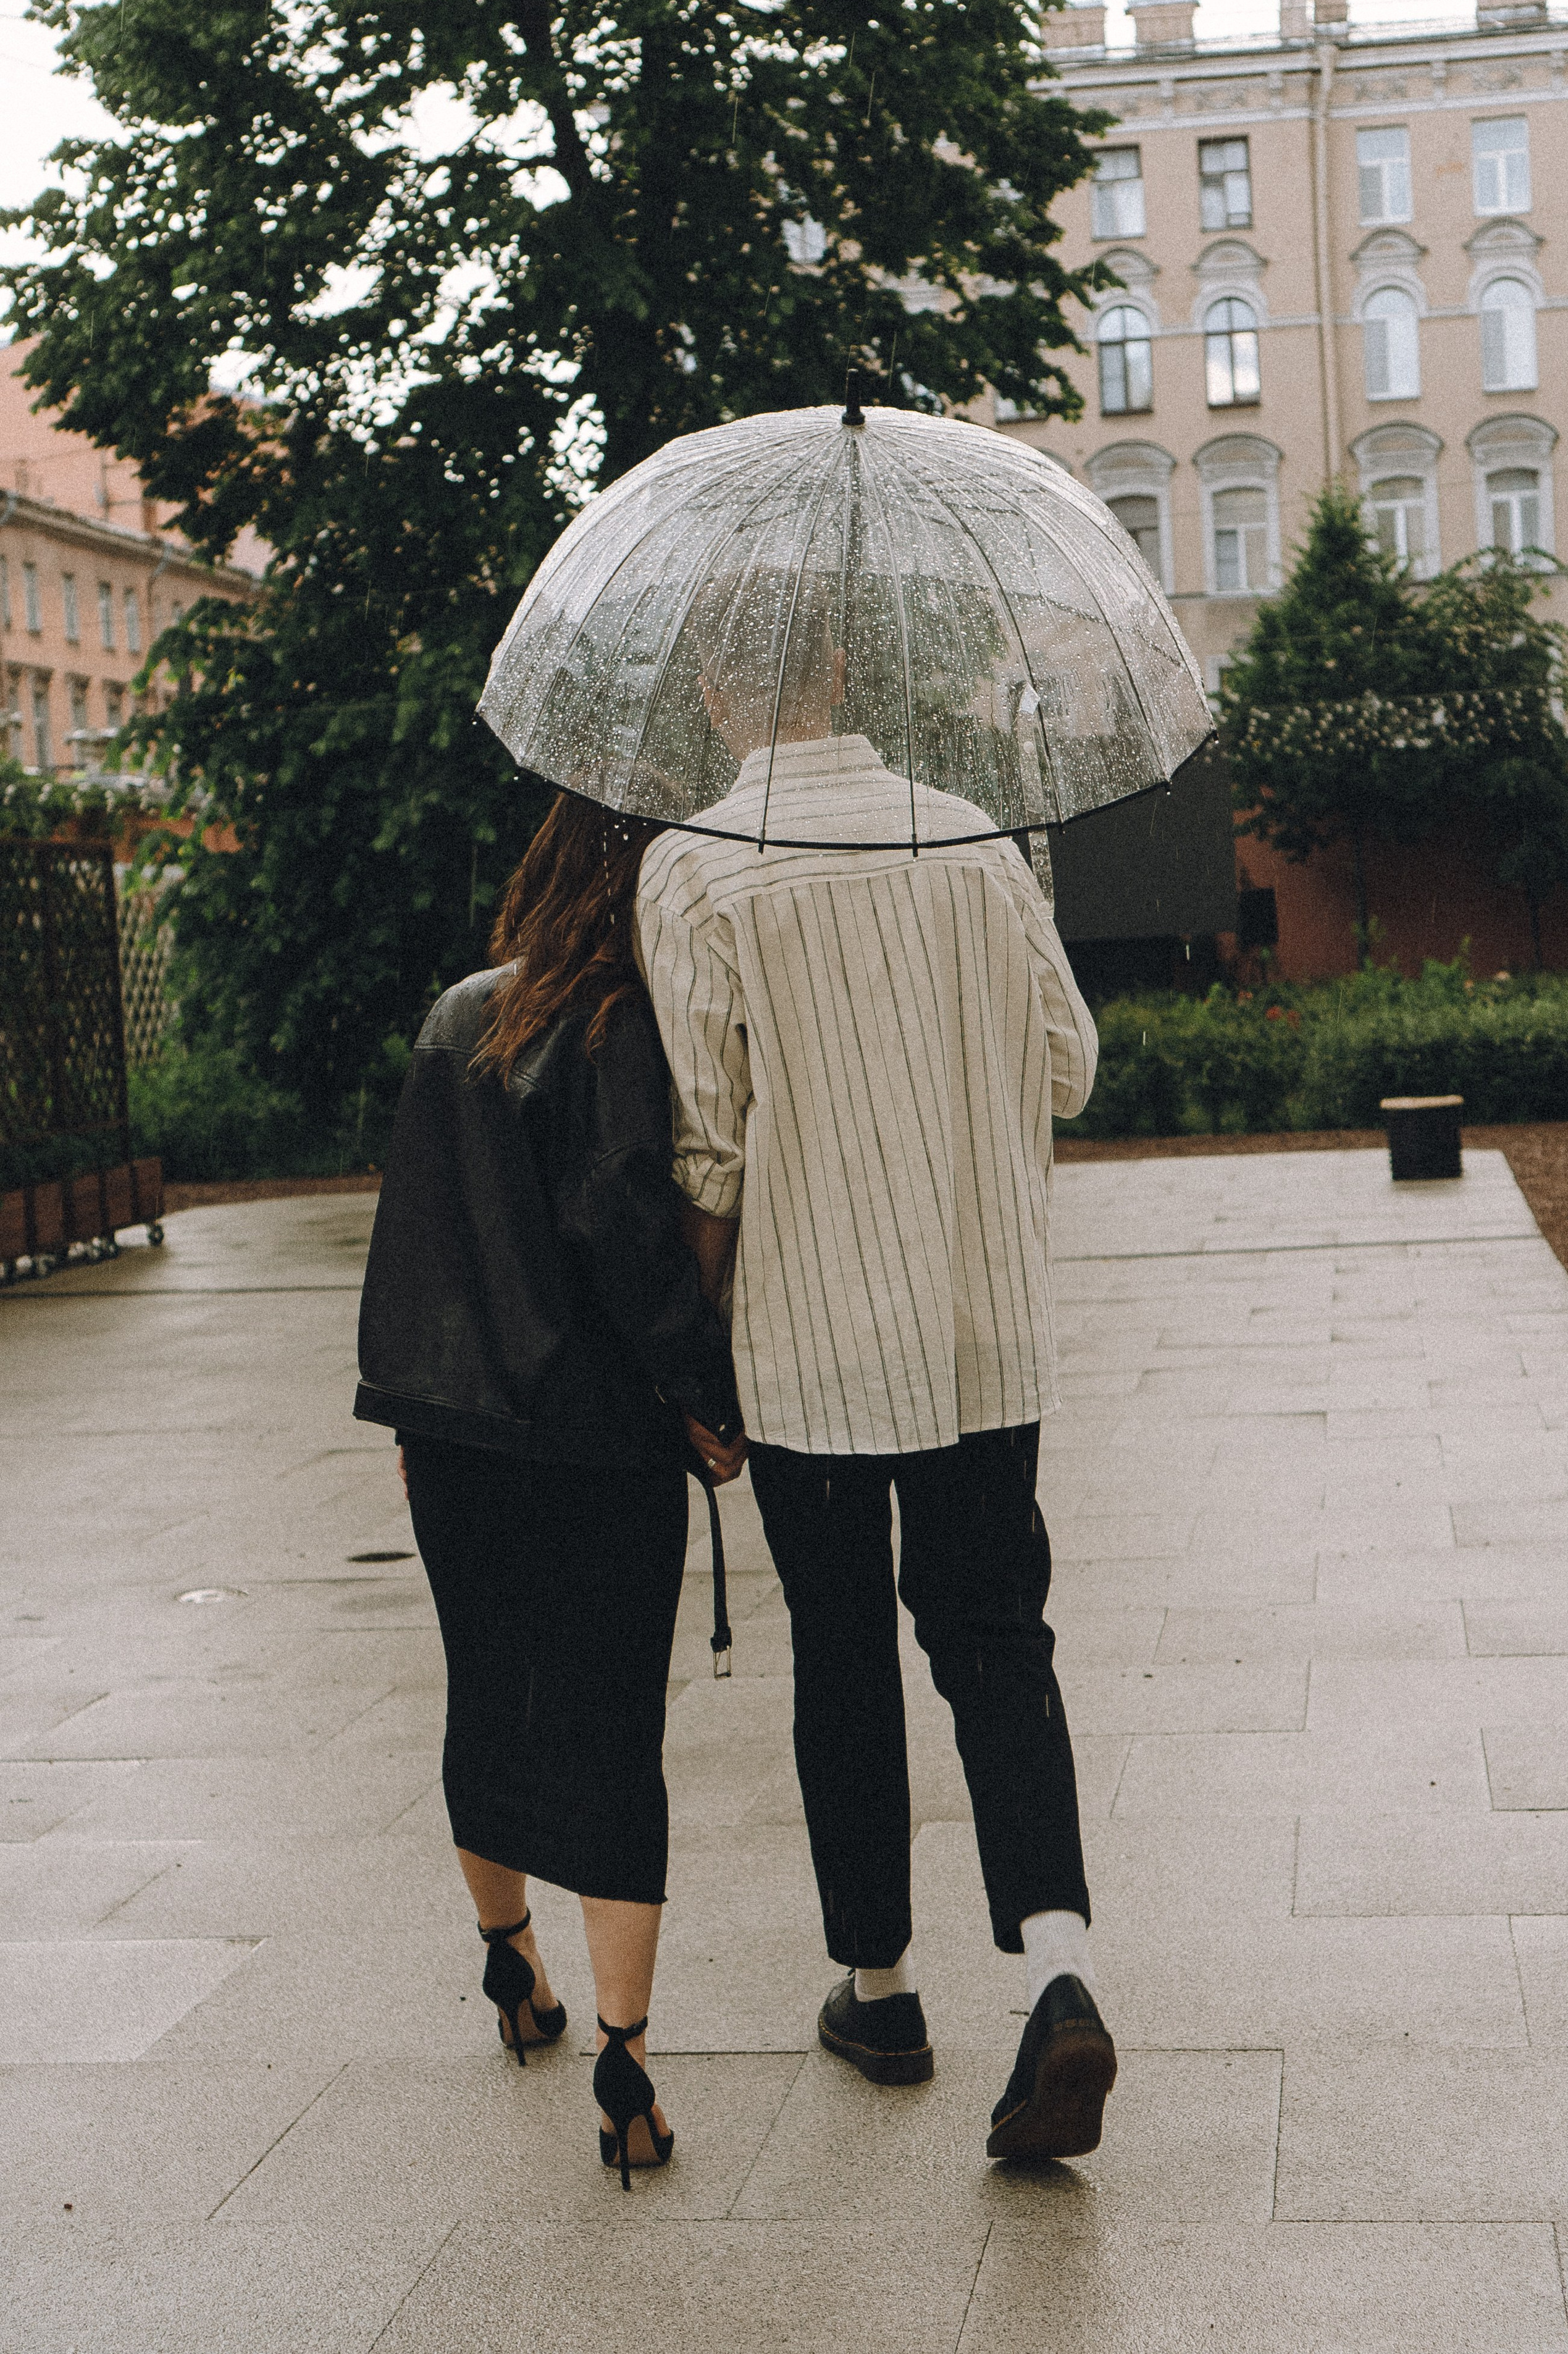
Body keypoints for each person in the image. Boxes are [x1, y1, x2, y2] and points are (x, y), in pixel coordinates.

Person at [634, 599, 1115, 2162]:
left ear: (721, 684)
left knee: (838, 1646)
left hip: (808, 1338)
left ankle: (881, 1989)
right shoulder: (973, 841)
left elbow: (707, 1141)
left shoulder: (696, 864)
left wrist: (685, 1353)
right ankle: (1057, 1971)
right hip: (981, 1326)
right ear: (846, 671)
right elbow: (1067, 1068)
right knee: (995, 1638)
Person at [354, 794, 746, 2188]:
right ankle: (627, 2064)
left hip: (452, 1432)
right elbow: (626, 1231)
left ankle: (509, 1965)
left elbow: (411, 1228)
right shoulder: (614, 1022)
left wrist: (410, 1402)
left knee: (487, 1691)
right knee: (607, 1725)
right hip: (589, 1437)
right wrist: (705, 1393)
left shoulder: (457, 1015)